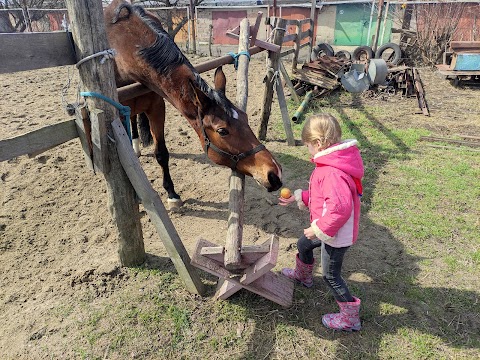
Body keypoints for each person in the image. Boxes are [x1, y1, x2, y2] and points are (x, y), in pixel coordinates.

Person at [279, 113, 364, 332]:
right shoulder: (331, 163)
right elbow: (324, 197)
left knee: (330, 275)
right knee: (303, 245)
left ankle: (350, 318)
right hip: (329, 228)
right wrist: (300, 197)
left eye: (308, 145)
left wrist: (318, 229)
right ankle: (303, 276)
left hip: (336, 235)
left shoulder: (331, 172)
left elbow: (339, 208)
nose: (307, 150)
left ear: (318, 143)